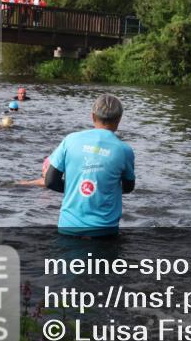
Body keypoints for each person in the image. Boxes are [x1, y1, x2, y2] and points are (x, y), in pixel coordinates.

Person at [43, 94, 136, 237]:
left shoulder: (70, 140)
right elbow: (128, 187)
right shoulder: (124, 150)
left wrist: (73, 189)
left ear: (93, 116)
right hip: (105, 232)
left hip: (68, 228)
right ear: (119, 120)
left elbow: (49, 181)